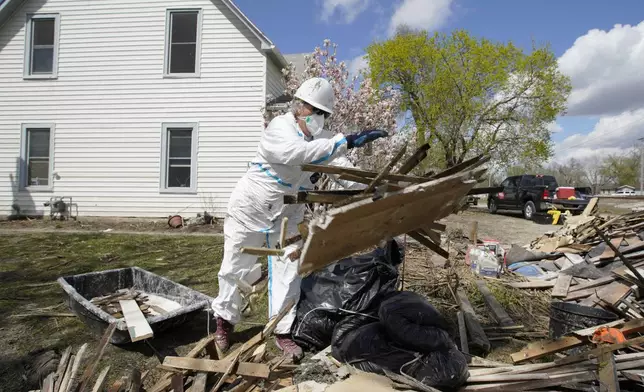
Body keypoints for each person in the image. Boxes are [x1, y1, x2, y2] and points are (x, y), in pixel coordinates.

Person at [211, 77, 388, 360]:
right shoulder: (279, 128)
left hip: (288, 215)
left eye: (323, 114)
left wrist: (374, 190)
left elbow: (342, 171)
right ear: (299, 107)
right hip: (251, 208)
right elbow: (295, 154)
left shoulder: (325, 141)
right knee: (236, 267)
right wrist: (345, 141)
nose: (316, 117)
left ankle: (282, 330)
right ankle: (224, 322)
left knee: (288, 271)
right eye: (312, 110)